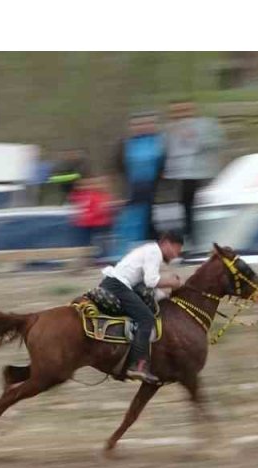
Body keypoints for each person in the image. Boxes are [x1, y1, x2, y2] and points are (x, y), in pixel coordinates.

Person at [89, 231, 185, 385]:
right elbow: (150, 281)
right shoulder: (154, 252)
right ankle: (138, 365)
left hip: (118, 284)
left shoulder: (150, 251)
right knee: (146, 318)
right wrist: (172, 283)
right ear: (166, 243)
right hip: (118, 286)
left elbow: (145, 286)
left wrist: (165, 295)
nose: (175, 255)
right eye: (176, 250)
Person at [163, 99, 225, 244]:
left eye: (185, 111)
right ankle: (192, 239)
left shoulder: (206, 125)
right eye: (177, 112)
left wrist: (195, 138)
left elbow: (217, 142)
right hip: (180, 176)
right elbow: (165, 151)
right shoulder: (169, 129)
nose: (182, 115)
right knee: (185, 208)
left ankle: (210, 237)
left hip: (202, 174)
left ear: (193, 110)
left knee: (203, 205)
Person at [110, 113, 167, 256]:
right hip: (133, 187)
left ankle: (160, 251)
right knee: (134, 220)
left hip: (155, 187)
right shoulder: (125, 144)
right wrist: (118, 191)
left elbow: (165, 165)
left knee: (151, 220)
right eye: (137, 125)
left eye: (146, 124)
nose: (142, 127)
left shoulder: (160, 142)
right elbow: (118, 167)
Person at [67, 176, 116, 254]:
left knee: (99, 242)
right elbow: (78, 208)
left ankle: (101, 257)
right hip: (86, 224)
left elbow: (101, 209)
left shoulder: (99, 196)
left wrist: (87, 216)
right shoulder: (81, 195)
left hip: (99, 224)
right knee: (87, 243)